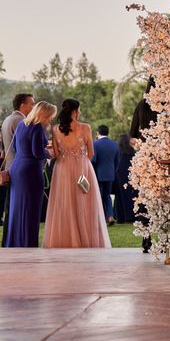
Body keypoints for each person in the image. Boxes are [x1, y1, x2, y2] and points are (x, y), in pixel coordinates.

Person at [43, 99, 111, 248]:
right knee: (85, 203)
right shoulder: (85, 128)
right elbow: (91, 153)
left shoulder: (55, 129)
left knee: (64, 204)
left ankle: (63, 240)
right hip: (83, 168)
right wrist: (80, 161)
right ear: (75, 111)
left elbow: (57, 153)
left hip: (62, 169)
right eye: (79, 109)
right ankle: (85, 239)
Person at [4, 102, 56, 247]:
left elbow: (15, 147)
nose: (51, 119)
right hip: (30, 171)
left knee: (17, 208)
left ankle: (14, 242)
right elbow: (38, 152)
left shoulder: (22, 124)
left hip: (16, 168)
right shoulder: (38, 127)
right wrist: (49, 153)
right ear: (44, 114)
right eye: (50, 116)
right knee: (31, 208)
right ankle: (27, 243)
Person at [1, 93, 36, 245]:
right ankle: (17, 239)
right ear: (23, 105)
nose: (34, 107)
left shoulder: (7, 119)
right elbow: (23, 146)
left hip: (9, 166)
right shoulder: (21, 121)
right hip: (20, 168)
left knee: (10, 206)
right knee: (17, 207)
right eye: (32, 104)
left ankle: (9, 239)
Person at [130, 77, 158, 253]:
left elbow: (132, 133)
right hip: (162, 157)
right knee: (164, 200)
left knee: (145, 199)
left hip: (144, 158)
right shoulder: (168, 105)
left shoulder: (141, 105)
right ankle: (166, 240)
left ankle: (146, 239)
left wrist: (141, 145)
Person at [92, 125, 120, 226]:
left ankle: (99, 218)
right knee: (107, 196)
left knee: (98, 196)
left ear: (98, 133)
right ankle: (110, 216)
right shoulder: (114, 144)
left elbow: (93, 160)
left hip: (97, 175)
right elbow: (117, 162)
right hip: (110, 174)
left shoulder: (95, 144)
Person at [114, 134, 136, 223]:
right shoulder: (133, 152)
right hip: (131, 176)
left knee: (120, 196)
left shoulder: (118, 152)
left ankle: (121, 217)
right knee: (132, 195)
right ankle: (131, 215)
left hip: (120, 176)